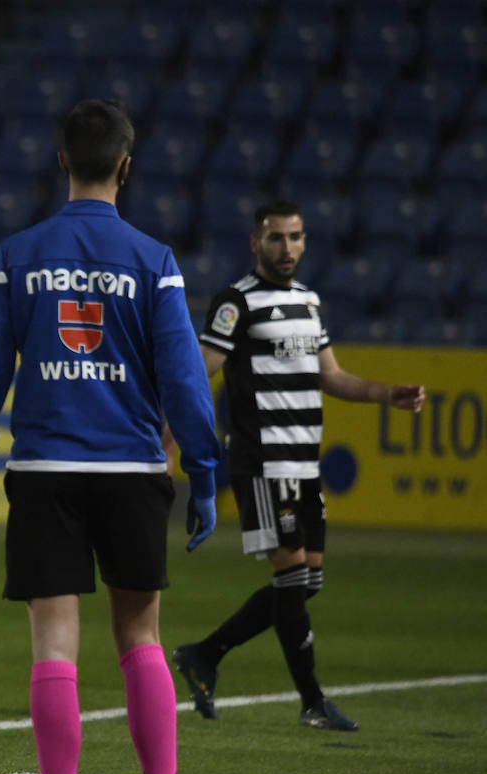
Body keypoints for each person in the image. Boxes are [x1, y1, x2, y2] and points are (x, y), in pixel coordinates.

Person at [0, 99, 221, 774]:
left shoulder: (20, 252)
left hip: (44, 471)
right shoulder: (154, 259)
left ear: (60, 160)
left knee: (54, 646)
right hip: (131, 470)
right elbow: (183, 380)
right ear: (128, 167)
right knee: (139, 638)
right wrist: (204, 472)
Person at [171, 200, 424, 731]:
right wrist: (172, 435)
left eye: (295, 237)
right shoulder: (236, 302)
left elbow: (331, 376)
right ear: (255, 244)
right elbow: (200, 372)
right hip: (263, 461)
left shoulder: (308, 302)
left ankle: (206, 654)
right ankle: (312, 701)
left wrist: (386, 394)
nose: (287, 248)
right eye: (276, 238)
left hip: (305, 466)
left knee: (306, 583)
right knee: (290, 578)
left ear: (305, 241)